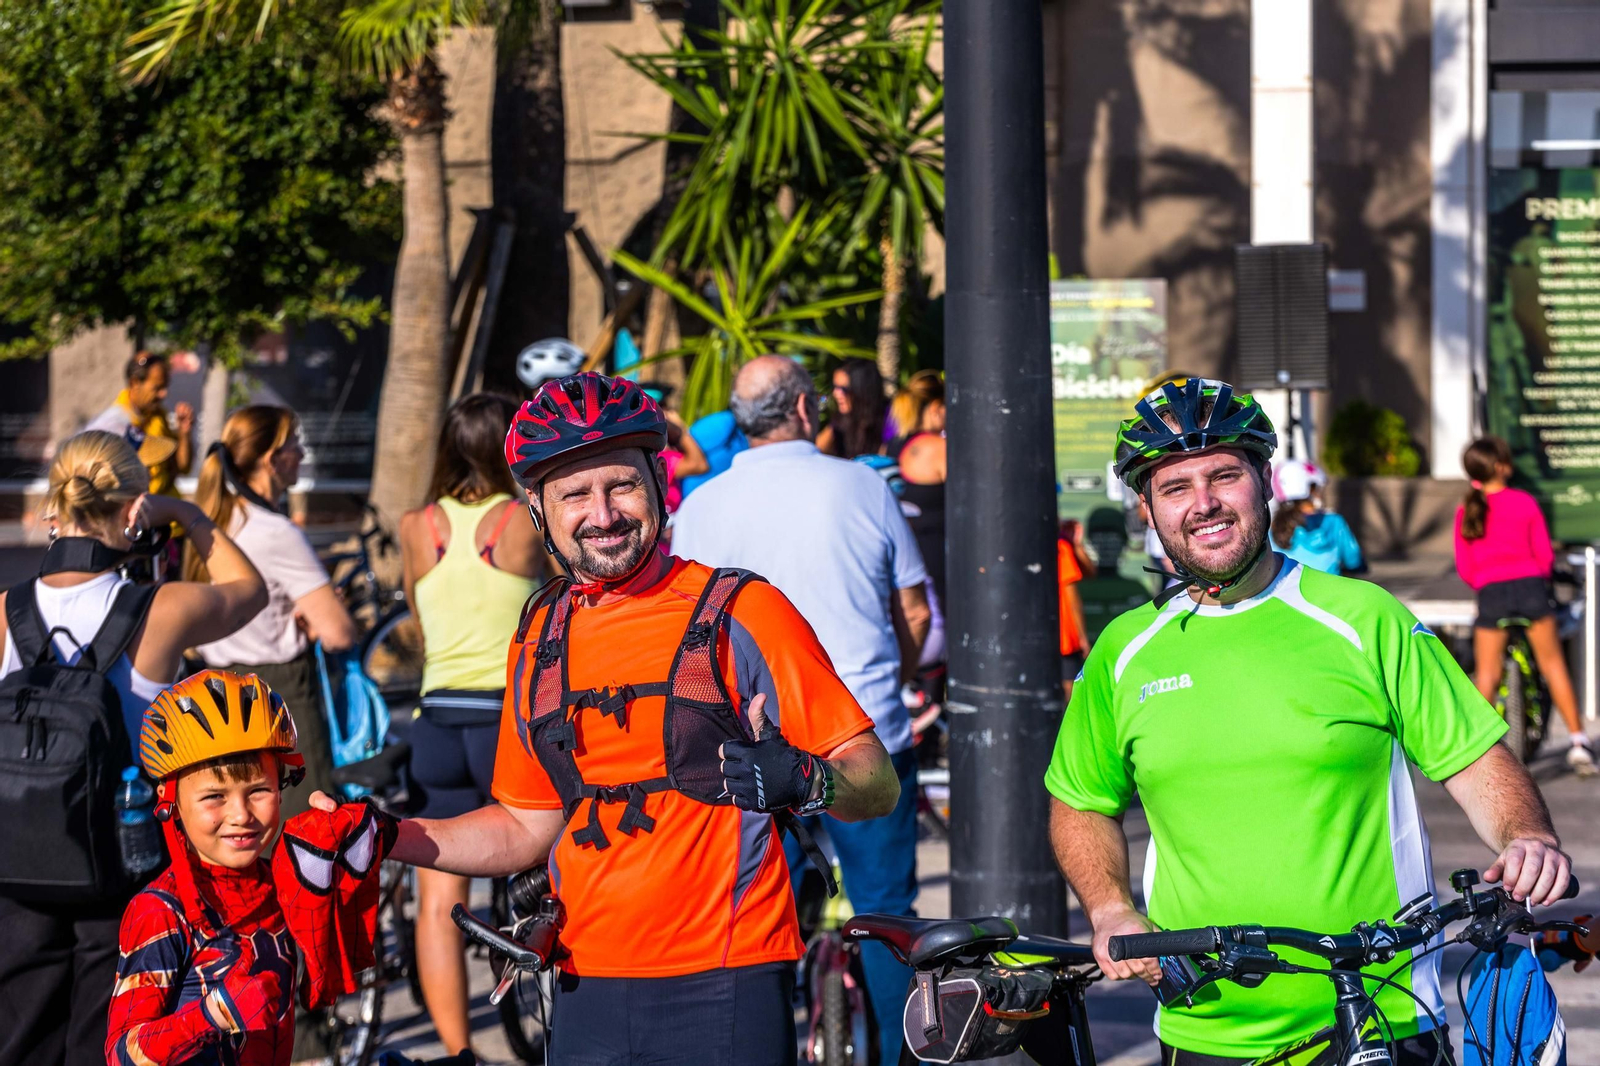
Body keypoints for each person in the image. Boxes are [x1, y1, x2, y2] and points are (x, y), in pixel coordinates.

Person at [311, 371, 900, 1066]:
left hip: (726, 977)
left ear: (659, 479)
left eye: (621, 485)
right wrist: (387, 836)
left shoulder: (743, 611)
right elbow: (525, 826)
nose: (603, 513)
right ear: (537, 507)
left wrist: (809, 781)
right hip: (584, 981)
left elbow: (879, 783)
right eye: (574, 495)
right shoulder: (541, 634)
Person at [1048, 379, 1573, 1066]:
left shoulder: (1363, 617)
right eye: (1175, 487)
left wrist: (1527, 836)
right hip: (1204, 1029)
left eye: (1224, 476)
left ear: (1264, 481)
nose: (1203, 503)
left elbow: (1474, 761)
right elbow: (1080, 801)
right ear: (1147, 509)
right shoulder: (1124, 651)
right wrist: (1109, 907)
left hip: (1380, 1013)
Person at [672, 355, 932, 1066]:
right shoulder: (862, 487)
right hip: (862, 732)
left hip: (750, 748)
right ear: (807, 409)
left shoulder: (698, 506)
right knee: (885, 917)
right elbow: (911, 606)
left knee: (757, 921)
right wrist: (893, 680)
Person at [0, 431, 266, 1066]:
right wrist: (188, 515)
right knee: (113, 1043)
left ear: (52, 512)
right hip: (121, 868)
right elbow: (248, 590)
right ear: (131, 511)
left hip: (14, 868)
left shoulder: (5, 610)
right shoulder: (160, 609)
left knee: (18, 1042)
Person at [396, 393, 547, 1057]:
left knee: (436, 902)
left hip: (435, 723)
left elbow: (420, 621)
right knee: (547, 873)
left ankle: (458, 1054)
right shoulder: (522, 519)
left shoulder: (416, 525)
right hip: (505, 721)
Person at [106, 671, 303, 1066]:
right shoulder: (161, 912)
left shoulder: (276, 883)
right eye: (215, 797)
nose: (241, 815)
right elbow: (122, 1054)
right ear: (171, 803)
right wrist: (209, 1017)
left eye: (259, 791)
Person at [188, 406, 357, 818]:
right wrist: (319, 618)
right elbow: (338, 632)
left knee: (239, 828)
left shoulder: (214, 523)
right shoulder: (276, 532)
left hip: (214, 697)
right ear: (272, 458)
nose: (302, 453)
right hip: (280, 694)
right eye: (295, 443)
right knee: (306, 831)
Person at [1455, 436, 1595, 776]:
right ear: (1502, 467)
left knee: (1486, 675)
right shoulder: (1523, 502)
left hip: (1491, 593)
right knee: (1552, 665)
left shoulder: (1466, 509)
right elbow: (1544, 556)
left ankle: (1472, 753)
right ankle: (1578, 745)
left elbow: (1465, 566)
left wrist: (1486, 583)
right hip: (1530, 588)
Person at [84, 351, 195, 501]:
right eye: (157, 388)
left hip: (166, 513)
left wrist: (184, 432)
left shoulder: (158, 415)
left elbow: (181, 467)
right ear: (135, 383)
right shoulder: (112, 426)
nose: (164, 394)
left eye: (165, 387)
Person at [895, 370, 947, 611]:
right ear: (936, 408)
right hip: (936, 558)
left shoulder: (892, 446)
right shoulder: (938, 448)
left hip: (900, 560)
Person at [1270, 458, 1364, 575]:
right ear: (1307, 490)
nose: (1320, 494)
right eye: (1316, 489)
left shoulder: (1272, 529)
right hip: (1330, 590)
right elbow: (1354, 561)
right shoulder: (1334, 522)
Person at [1075, 507, 1151, 645]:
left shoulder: (1135, 590)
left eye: (1113, 536)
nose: (1105, 544)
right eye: (1098, 536)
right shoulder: (1076, 590)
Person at [817, 359, 888, 459]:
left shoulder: (889, 418)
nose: (836, 394)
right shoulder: (840, 420)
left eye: (844, 389)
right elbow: (816, 450)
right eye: (835, 387)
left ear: (863, 390)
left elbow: (884, 461)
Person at [1057, 519, 1091, 680]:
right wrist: (1082, 637)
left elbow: (1090, 572)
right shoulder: (1060, 547)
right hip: (1065, 639)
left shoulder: (1064, 544)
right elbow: (1072, 597)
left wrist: (1076, 544)